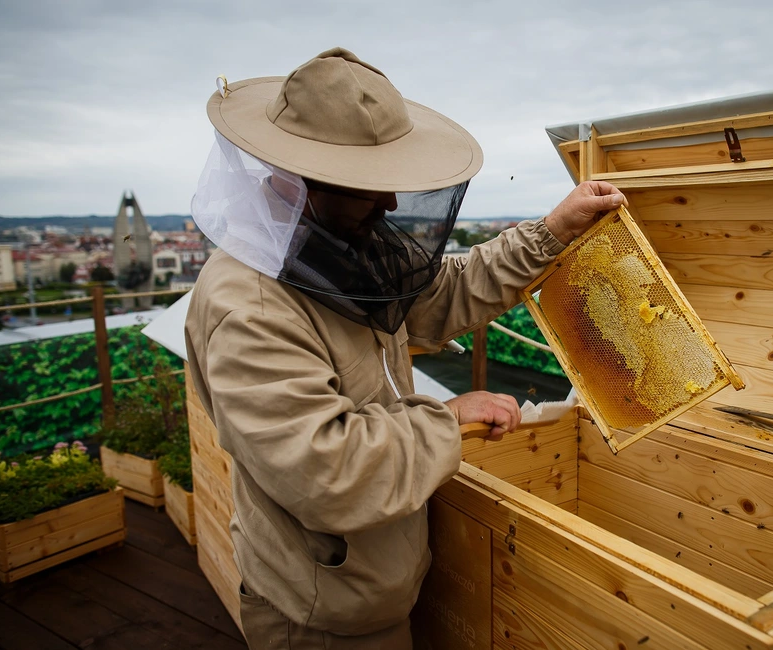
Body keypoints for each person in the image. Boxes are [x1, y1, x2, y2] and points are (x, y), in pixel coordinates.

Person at [184, 47, 623, 649]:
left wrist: (552, 232)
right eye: (369, 188)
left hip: (374, 582)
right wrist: (446, 419)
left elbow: (445, 289)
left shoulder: (335, 246)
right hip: (318, 615)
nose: (389, 204)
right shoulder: (249, 307)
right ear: (301, 182)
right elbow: (327, 471)